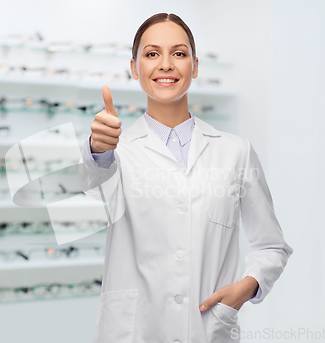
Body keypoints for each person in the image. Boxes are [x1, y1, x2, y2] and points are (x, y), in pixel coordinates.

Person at [78, 13, 294, 343]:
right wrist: (98, 149)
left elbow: (271, 245)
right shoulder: (115, 153)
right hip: (132, 332)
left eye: (178, 54)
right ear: (135, 67)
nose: (166, 64)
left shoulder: (236, 152)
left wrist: (248, 286)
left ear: (194, 66)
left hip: (208, 329)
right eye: (152, 54)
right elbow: (94, 191)